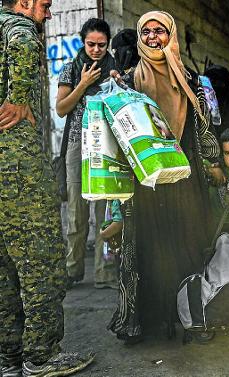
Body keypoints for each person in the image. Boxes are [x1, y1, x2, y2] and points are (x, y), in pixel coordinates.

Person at [107, 10, 220, 344]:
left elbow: (207, 131)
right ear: (139, 38)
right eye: (146, 32)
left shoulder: (192, 80)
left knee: (188, 245)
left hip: (186, 181)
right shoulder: (127, 82)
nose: (153, 38)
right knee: (148, 248)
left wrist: (214, 164)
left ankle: (192, 319)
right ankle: (149, 321)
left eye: (160, 31)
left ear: (171, 35)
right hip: (145, 185)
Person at [0, 0, 95, 376]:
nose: (49, 13)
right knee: (40, 260)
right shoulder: (16, 28)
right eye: (44, 5)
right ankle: (40, 356)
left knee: (4, 267)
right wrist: (19, 97)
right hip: (17, 165)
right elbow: (24, 43)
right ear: (23, 2)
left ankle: (9, 358)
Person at [56, 18, 118, 290]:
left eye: (101, 45)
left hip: (107, 147)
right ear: (83, 42)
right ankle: (73, 269)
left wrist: (119, 84)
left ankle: (104, 272)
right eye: (91, 44)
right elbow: (61, 108)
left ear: (108, 45)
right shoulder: (71, 68)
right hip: (76, 146)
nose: (96, 50)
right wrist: (82, 84)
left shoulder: (114, 68)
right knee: (76, 213)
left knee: (105, 213)